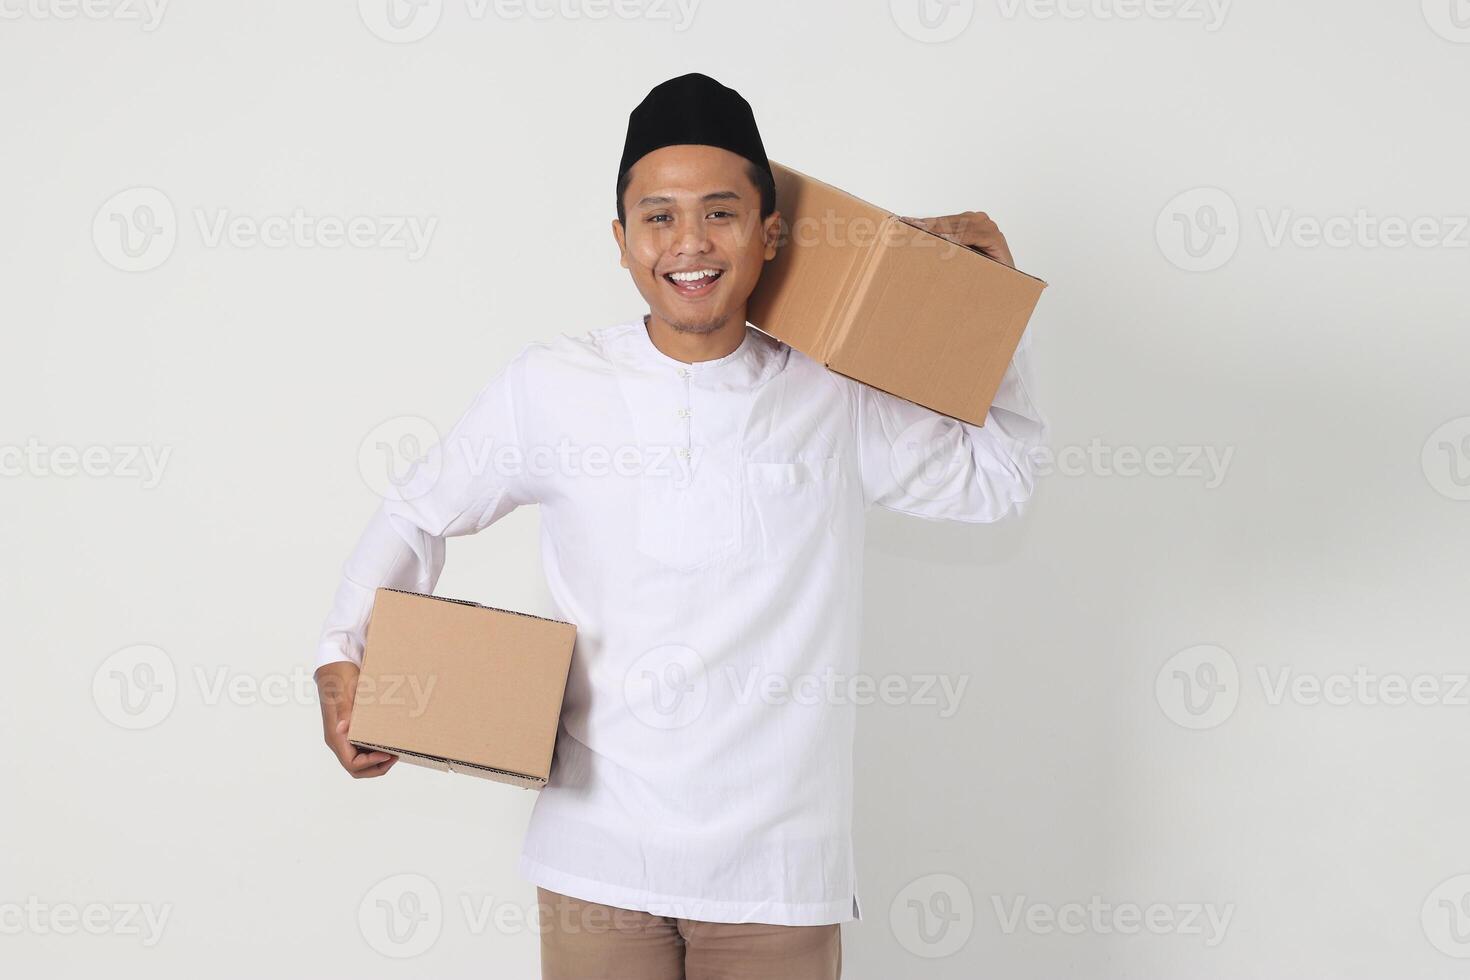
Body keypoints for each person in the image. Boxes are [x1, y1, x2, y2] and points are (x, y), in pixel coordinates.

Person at [313, 71, 1045, 980]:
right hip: (596, 858)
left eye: (721, 213)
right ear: (621, 241)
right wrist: (341, 655)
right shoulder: (552, 386)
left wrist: (992, 314)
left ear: (770, 234)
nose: (689, 243)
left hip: (777, 877)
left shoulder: (834, 390)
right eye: (658, 217)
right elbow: (419, 511)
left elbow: (999, 482)